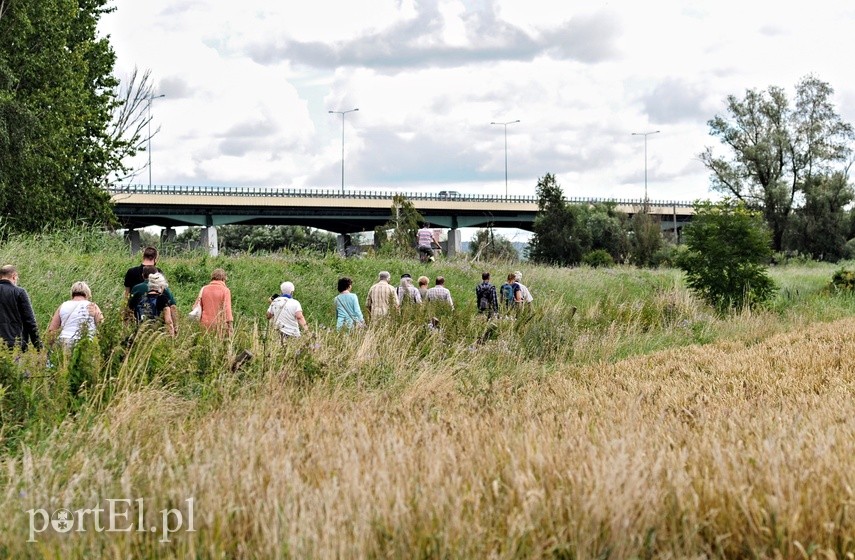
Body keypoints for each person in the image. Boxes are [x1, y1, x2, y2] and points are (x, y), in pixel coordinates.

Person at [47, 281, 104, 347]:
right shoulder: (93, 306)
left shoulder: (63, 306)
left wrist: (49, 348)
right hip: (87, 342)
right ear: (87, 294)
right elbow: (102, 326)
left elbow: (52, 331)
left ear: (72, 294)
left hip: (66, 341)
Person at [0, 265, 41, 351]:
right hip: (14, 342)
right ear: (14, 276)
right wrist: (38, 345)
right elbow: (29, 321)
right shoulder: (19, 292)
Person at [194, 268, 233, 336]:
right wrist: (230, 326)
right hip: (219, 325)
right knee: (218, 345)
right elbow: (227, 309)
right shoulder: (225, 290)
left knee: (205, 344)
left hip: (204, 324)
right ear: (224, 279)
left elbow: (195, 306)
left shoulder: (204, 289)